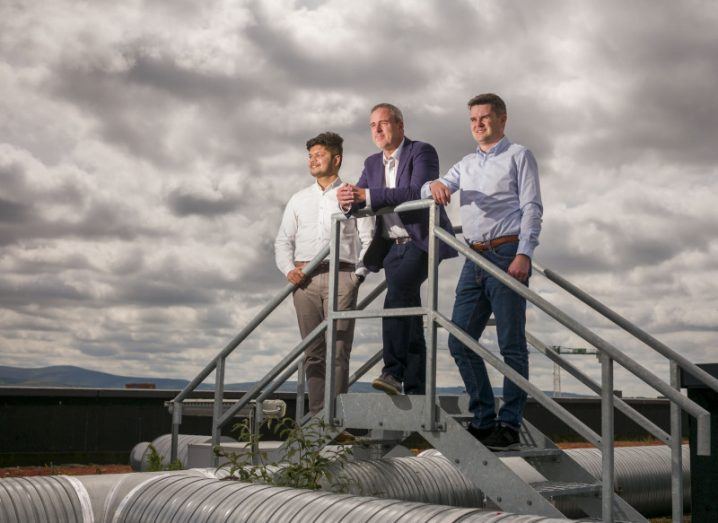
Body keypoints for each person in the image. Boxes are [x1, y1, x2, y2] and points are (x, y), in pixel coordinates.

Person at [423, 93, 542, 451]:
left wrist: (524, 254)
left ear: (502, 120)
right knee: (459, 340)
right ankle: (483, 417)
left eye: (486, 118)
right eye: (473, 119)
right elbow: (428, 188)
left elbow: (532, 207)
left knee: (511, 345)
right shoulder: (465, 164)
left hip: (507, 253)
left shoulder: (518, 155)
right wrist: (435, 185)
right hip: (472, 258)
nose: (478, 124)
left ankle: (510, 423)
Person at [338, 104, 455, 396]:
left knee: (398, 294)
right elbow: (359, 198)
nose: (377, 130)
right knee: (410, 315)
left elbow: (417, 191)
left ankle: (392, 371)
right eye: (372, 125)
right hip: (391, 248)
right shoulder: (371, 163)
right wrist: (347, 199)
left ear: (400, 125)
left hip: (421, 240)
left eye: (383, 123)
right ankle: (417, 389)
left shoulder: (422, 151)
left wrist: (368, 196)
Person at [275, 132, 373, 415]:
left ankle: (336, 417)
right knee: (313, 352)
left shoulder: (353, 194)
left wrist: (358, 275)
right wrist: (289, 269)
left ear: (336, 159)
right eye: (310, 156)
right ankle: (319, 416)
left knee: (339, 349)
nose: (313, 160)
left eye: (319, 155)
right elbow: (283, 241)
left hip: (342, 276)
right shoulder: (298, 199)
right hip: (304, 279)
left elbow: (368, 237)